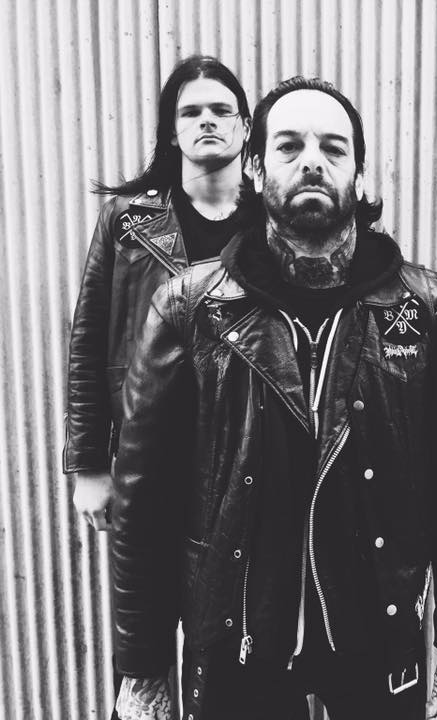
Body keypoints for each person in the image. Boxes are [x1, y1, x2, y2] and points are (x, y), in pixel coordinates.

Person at [110, 77, 437, 720]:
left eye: (333, 148)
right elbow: (143, 501)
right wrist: (142, 666)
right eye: (289, 146)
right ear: (256, 169)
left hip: (377, 633)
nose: (312, 160)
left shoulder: (425, 309)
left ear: (359, 176)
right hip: (239, 634)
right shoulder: (189, 309)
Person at [64, 54, 251, 530]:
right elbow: (89, 343)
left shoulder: (272, 224)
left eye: (221, 110)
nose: (207, 120)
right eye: (190, 112)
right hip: (151, 451)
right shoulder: (127, 221)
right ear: (172, 132)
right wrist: (89, 465)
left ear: (246, 127)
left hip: (251, 457)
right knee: (149, 578)